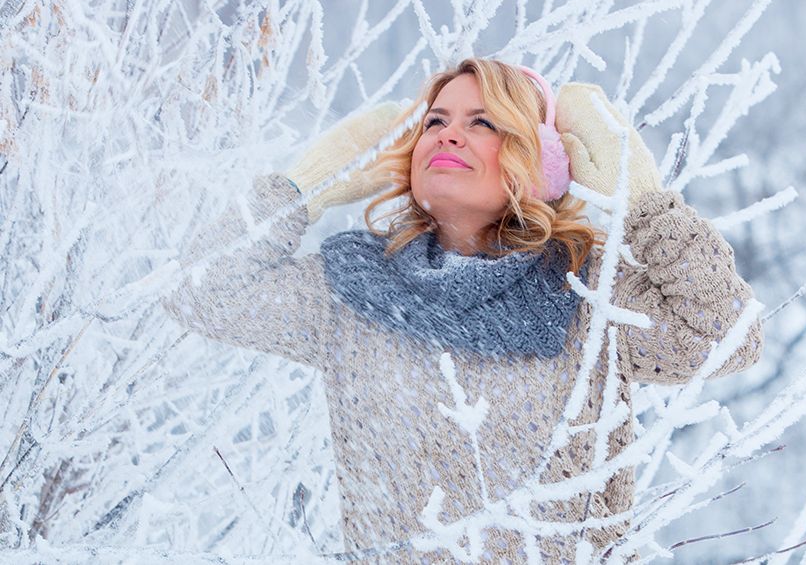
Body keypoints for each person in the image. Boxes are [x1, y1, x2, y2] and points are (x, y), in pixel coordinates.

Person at [162, 58, 764, 563]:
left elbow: (727, 334)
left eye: (484, 123)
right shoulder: (355, 289)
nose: (449, 135)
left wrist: (646, 202)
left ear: (542, 162)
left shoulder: (586, 294)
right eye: (435, 121)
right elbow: (203, 291)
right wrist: (302, 188)